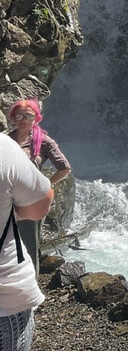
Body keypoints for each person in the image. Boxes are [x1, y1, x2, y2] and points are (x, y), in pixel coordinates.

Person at [0, 132, 54, 351]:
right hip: (5, 302)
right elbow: (41, 203)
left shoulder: (41, 139)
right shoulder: (5, 146)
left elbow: (63, 163)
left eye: (29, 116)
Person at [7, 100, 71, 275]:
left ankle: (30, 296)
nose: (24, 119)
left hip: (31, 201)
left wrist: (46, 184)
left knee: (28, 246)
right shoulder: (5, 140)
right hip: (5, 199)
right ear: (12, 118)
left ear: (36, 118)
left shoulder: (43, 141)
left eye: (29, 115)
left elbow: (64, 168)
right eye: (19, 115)